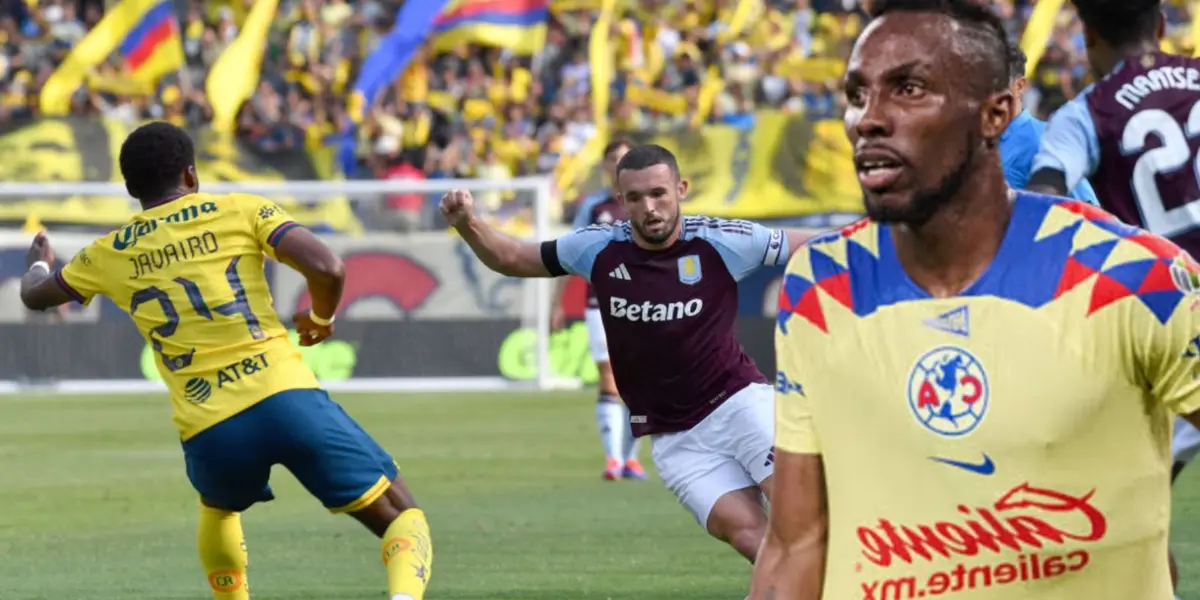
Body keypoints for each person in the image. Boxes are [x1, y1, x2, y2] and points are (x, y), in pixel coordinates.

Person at [750, 1, 1200, 598]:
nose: (868, 119)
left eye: (909, 89)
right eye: (857, 94)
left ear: (998, 113)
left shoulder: (1135, 279)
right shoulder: (820, 286)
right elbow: (795, 546)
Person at [18, 122, 432, 600]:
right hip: (286, 396)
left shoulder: (107, 253)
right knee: (404, 517)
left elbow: (35, 297)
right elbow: (328, 267)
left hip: (210, 424)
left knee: (218, 509)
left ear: (131, 190)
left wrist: (39, 261)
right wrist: (320, 316)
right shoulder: (241, 209)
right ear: (191, 176)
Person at [440, 144, 808, 560]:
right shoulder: (597, 247)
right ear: (620, 201)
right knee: (750, 538)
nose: (649, 207)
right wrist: (469, 224)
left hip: (739, 404)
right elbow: (512, 257)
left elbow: (815, 246)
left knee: (801, 518)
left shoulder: (722, 240)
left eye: (658, 193)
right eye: (635, 198)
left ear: (681, 189)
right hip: (674, 438)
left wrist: (890, 233)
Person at [1026, 0, 1200, 592]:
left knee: (1118, 517)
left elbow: (1045, 202)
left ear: (1087, 36)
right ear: (1160, 25)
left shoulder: (1083, 115)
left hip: (1169, 325)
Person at [550, 138, 647, 481]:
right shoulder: (593, 206)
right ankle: (613, 460)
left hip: (644, 305)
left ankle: (631, 459)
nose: (617, 165)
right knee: (609, 377)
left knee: (640, 382)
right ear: (606, 166)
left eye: (624, 159)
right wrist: (557, 303)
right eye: (612, 160)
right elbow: (568, 252)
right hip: (600, 303)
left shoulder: (647, 202)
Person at [999, 46, 1098, 203]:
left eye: (995, 83)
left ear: (1019, 86)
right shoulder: (972, 144)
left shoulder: (1044, 141)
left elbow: (1088, 209)